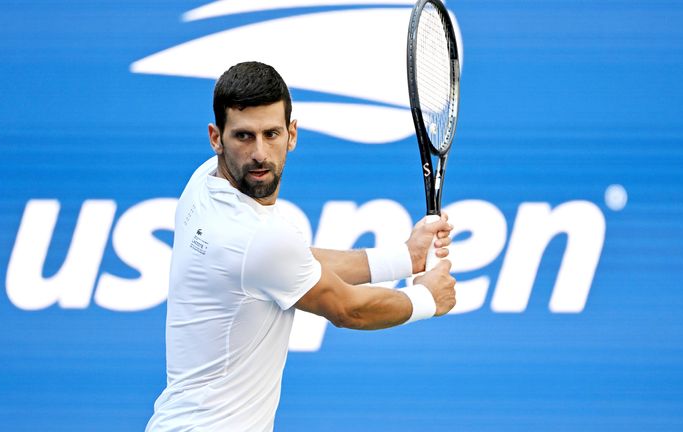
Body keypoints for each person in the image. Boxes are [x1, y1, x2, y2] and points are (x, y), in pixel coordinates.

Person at [145, 61, 456, 431]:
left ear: (292, 134)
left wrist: (405, 257)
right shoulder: (256, 239)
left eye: (271, 134)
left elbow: (294, 264)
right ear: (216, 137)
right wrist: (426, 299)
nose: (260, 152)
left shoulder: (203, 183)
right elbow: (348, 309)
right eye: (244, 136)